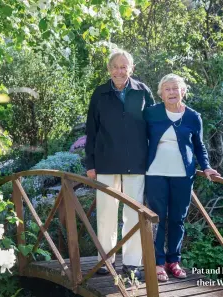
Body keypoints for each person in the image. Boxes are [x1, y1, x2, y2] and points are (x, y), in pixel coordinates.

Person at [85, 49, 155, 278]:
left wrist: (154, 160)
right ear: (109, 69)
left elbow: (153, 128)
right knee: (106, 213)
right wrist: (91, 163)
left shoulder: (142, 92)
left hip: (137, 162)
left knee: (133, 213)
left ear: (131, 68)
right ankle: (105, 260)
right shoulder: (100, 93)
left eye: (124, 66)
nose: (119, 71)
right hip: (106, 161)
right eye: (115, 66)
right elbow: (91, 131)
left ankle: (132, 263)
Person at [144, 74, 220, 282]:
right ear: (160, 93)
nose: (171, 92)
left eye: (175, 88)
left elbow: (199, 146)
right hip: (155, 174)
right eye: (167, 89)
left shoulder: (193, 116)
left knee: (178, 219)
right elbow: (138, 139)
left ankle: (173, 261)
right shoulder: (151, 113)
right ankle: (159, 263)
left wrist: (206, 167)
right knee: (158, 219)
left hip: (183, 176)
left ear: (183, 91)